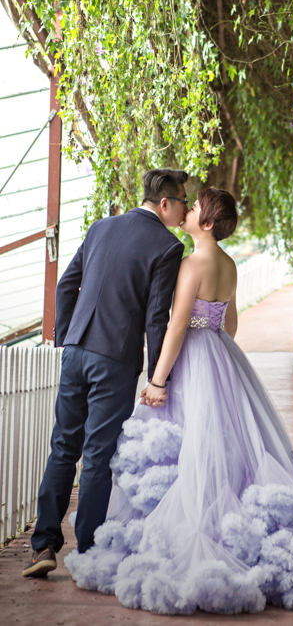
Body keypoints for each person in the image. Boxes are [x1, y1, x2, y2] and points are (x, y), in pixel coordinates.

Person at [65, 187, 293, 615]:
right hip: (222, 355)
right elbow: (230, 321)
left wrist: (157, 380)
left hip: (192, 355)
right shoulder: (226, 263)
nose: (187, 210)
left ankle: (199, 528)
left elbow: (174, 326)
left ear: (206, 223)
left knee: (189, 445)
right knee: (230, 445)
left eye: (196, 208)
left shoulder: (192, 263)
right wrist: (215, 351)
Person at [22, 169, 189, 577]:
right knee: (97, 455)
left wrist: (68, 335)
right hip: (115, 359)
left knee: (63, 447)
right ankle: (88, 552)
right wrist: (157, 379)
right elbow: (156, 319)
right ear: (165, 203)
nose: (186, 208)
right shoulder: (168, 247)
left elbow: (66, 285)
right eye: (183, 200)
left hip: (77, 350)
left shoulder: (100, 227)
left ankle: (43, 545)